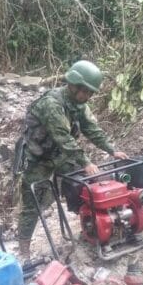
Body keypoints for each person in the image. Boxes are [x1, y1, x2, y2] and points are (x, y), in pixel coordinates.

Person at [15, 60, 128, 257]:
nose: (87, 96)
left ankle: (93, 225)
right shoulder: (52, 104)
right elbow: (64, 138)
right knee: (34, 203)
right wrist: (86, 162)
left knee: (84, 186)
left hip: (61, 155)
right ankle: (23, 247)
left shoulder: (78, 105)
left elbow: (91, 129)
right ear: (73, 85)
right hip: (37, 158)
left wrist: (111, 150)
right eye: (84, 91)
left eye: (90, 93)